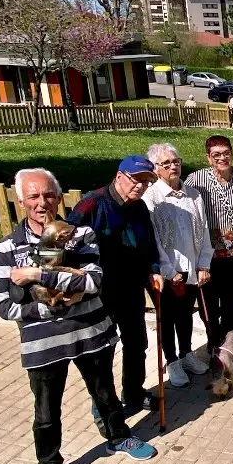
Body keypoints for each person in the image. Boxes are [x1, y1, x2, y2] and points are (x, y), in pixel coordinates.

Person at [0, 169, 156, 464]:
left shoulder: (79, 235)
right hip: (43, 343)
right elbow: (4, 304)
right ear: (21, 201)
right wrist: (52, 307)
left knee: (106, 395)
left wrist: (37, 275)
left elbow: (95, 281)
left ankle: (118, 437)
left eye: (49, 195)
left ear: (58, 198)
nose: (43, 203)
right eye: (35, 197)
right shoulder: (8, 247)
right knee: (46, 411)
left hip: (89, 332)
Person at [66, 156, 164, 417]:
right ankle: (103, 403)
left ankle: (133, 391)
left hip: (131, 288)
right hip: (101, 292)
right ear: (119, 176)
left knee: (136, 343)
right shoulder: (93, 203)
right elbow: (68, 242)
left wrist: (154, 271)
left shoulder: (140, 207)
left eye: (146, 182)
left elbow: (148, 243)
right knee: (103, 349)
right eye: (136, 180)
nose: (141, 186)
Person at [142, 143, 213, 387]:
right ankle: (172, 361)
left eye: (176, 161)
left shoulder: (193, 194)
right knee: (167, 317)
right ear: (155, 169)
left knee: (185, 315)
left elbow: (203, 232)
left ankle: (187, 354)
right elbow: (153, 240)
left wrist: (203, 264)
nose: (173, 166)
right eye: (166, 163)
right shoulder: (150, 198)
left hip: (190, 269)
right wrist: (169, 272)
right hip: (165, 273)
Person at [185, 135, 233, 351]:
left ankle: (229, 340)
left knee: (232, 300)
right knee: (208, 301)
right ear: (208, 157)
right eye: (216, 154)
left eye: (226, 153)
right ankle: (212, 339)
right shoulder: (195, 180)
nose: (222, 158)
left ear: (232, 154)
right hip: (208, 256)